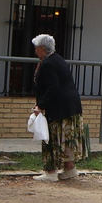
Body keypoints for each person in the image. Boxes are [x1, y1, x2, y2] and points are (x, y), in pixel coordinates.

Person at [31, 33, 86, 182]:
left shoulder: (48, 64)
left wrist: (41, 106)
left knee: (52, 138)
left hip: (59, 108)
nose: (35, 51)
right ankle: (70, 168)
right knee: (67, 138)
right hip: (70, 105)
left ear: (42, 48)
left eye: (36, 48)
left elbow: (53, 87)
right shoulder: (58, 59)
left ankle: (50, 172)